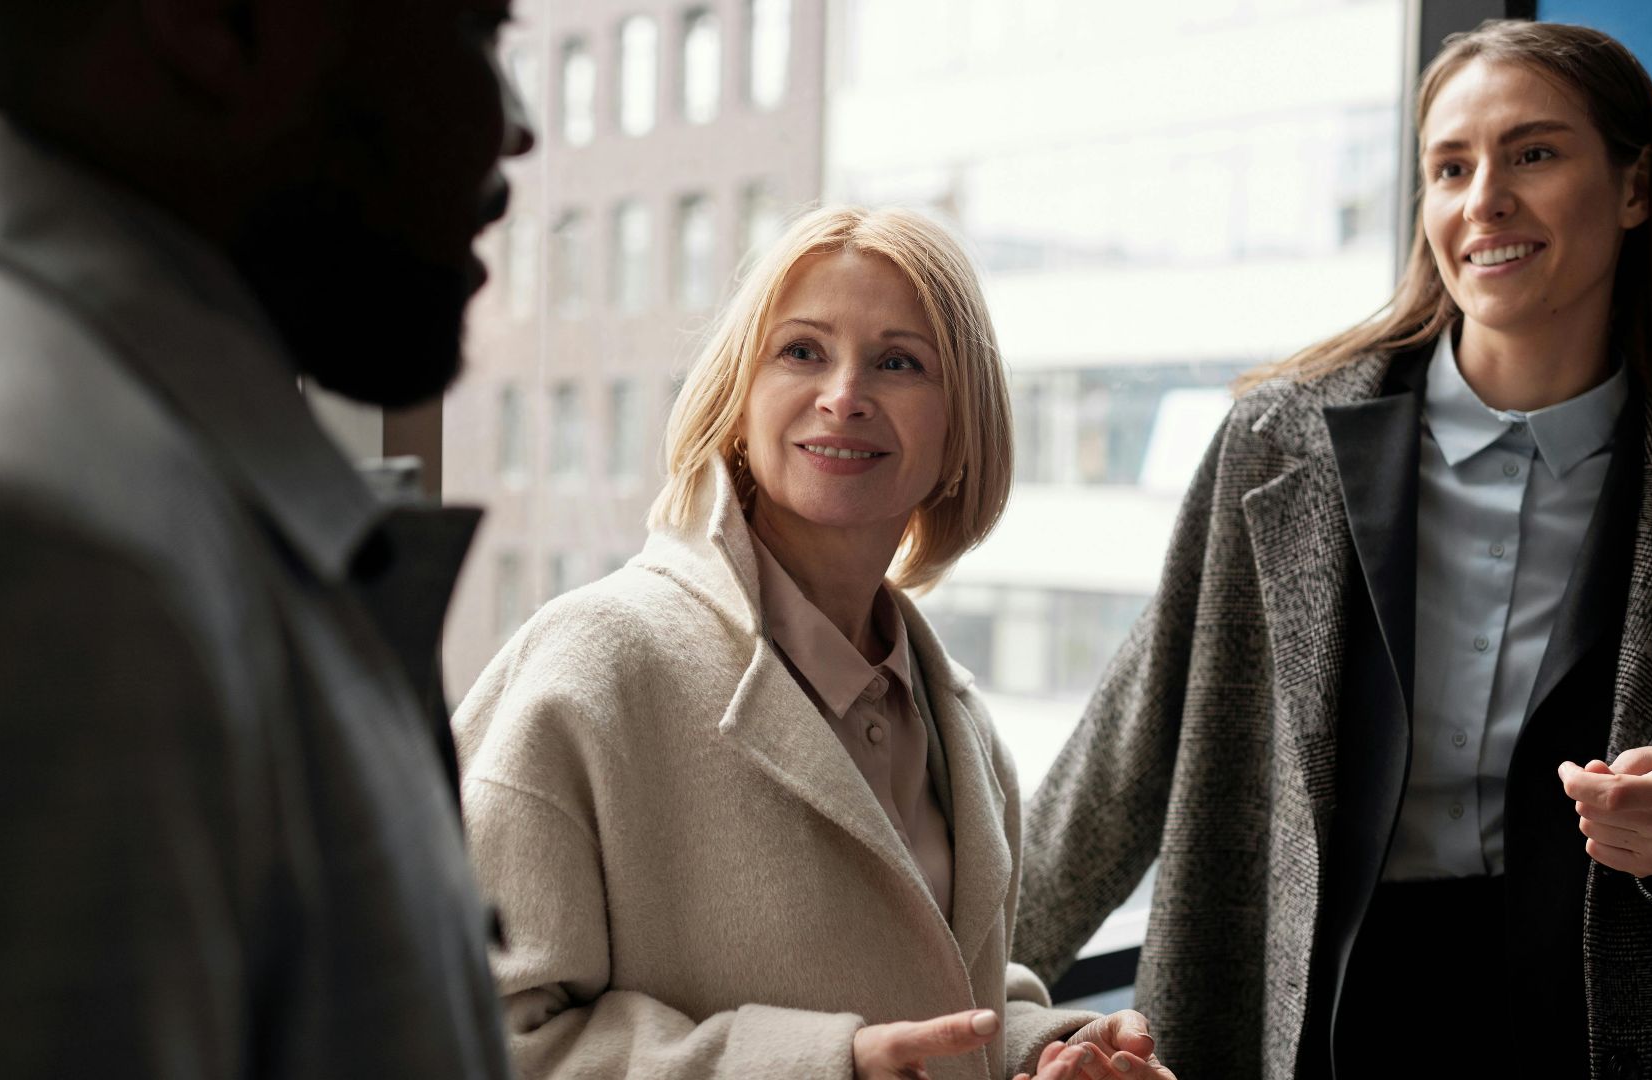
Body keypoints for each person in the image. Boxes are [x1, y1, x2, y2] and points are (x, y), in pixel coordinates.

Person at [1013, 19, 1652, 1080]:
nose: (1484, 197)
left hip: (1614, 1042)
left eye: (1532, 153)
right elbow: (1121, 759)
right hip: (1308, 1030)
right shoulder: (1278, 449)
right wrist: (950, 999)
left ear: (1634, 190)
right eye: (1450, 166)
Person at [0, 0, 532, 1074]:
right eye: (477, 32)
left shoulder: (112, 466)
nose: (516, 130)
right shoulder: (40, 552)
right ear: (215, 24)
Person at [453, 206, 1178, 1080]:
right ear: (738, 403)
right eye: (801, 351)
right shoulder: (591, 665)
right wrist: (828, 1066)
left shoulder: (966, 731)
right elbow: (476, 1034)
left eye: (899, 362)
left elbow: (930, 990)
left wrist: (1041, 1050)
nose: (845, 394)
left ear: (960, 432)